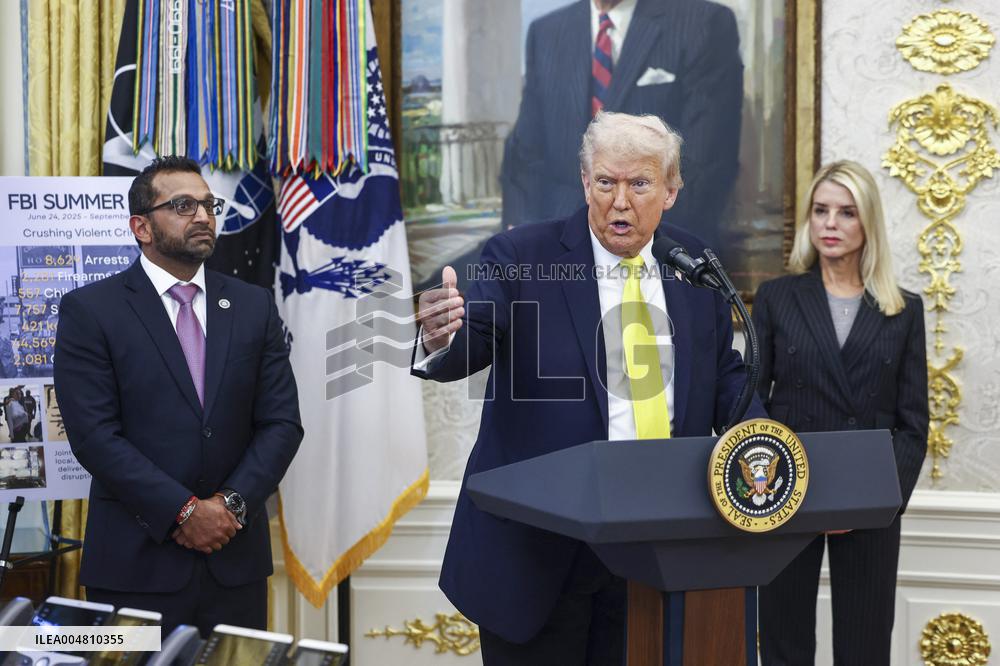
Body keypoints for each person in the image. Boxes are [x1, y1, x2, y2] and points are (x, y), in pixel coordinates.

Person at [413, 111, 763, 665]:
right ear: (585, 183)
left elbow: (727, 382)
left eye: (639, 184)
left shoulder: (693, 267)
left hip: (656, 553)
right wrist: (440, 334)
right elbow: (473, 339)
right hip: (538, 558)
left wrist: (767, 455)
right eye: (606, 182)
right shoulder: (523, 258)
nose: (619, 202)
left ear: (671, 191)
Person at [54, 156, 303, 636]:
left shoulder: (252, 305)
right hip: (135, 566)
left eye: (209, 205)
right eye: (184, 206)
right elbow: (94, 437)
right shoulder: (92, 311)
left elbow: (281, 424)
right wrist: (184, 512)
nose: (204, 217)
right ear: (141, 227)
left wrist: (228, 507)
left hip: (235, 567)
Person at [753, 160, 929, 665]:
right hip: (786, 494)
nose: (830, 223)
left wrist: (875, 501)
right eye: (821, 210)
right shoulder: (777, 297)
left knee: (865, 646)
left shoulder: (902, 309)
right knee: (784, 642)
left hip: (870, 502)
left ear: (867, 222)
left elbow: (913, 422)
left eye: (846, 212)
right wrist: (770, 487)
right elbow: (751, 404)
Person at [501, 0, 743, 252]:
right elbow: (525, 155)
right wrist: (526, 237)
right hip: (560, 249)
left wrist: (622, 240)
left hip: (659, 248)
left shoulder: (704, 24)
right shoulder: (546, 32)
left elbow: (704, 164)